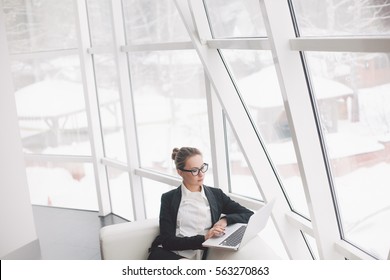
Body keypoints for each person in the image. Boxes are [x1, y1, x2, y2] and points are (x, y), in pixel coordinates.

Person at [147, 147, 253, 260]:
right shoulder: (168, 198)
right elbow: (167, 242)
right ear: (180, 172)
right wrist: (204, 238)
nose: (201, 174)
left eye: (202, 168)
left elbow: (248, 214)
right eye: (194, 170)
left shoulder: (216, 195)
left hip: (201, 256)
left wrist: (224, 220)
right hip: (172, 255)